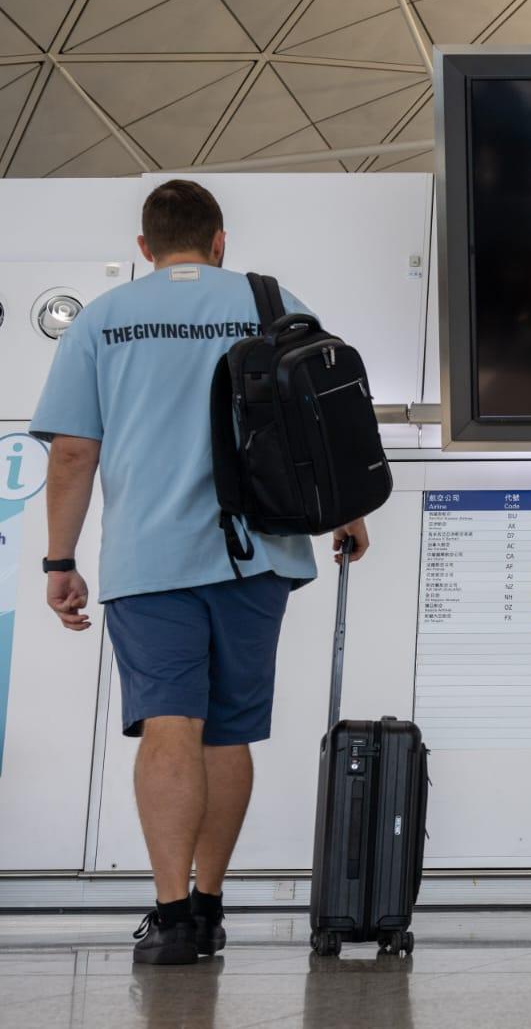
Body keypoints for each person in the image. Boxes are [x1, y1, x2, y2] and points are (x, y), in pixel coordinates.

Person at [30, 179, 370, 965]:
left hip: (149, 560)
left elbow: (75, 451)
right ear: (220, 241)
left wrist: (60, 560)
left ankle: (173, 914)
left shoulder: (103, 319)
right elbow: (325, 410)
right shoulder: (266, 297)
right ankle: (212, 905)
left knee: (167, 726)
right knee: (227, 730)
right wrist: (344, 512)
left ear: (143, 249)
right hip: (259, 553)